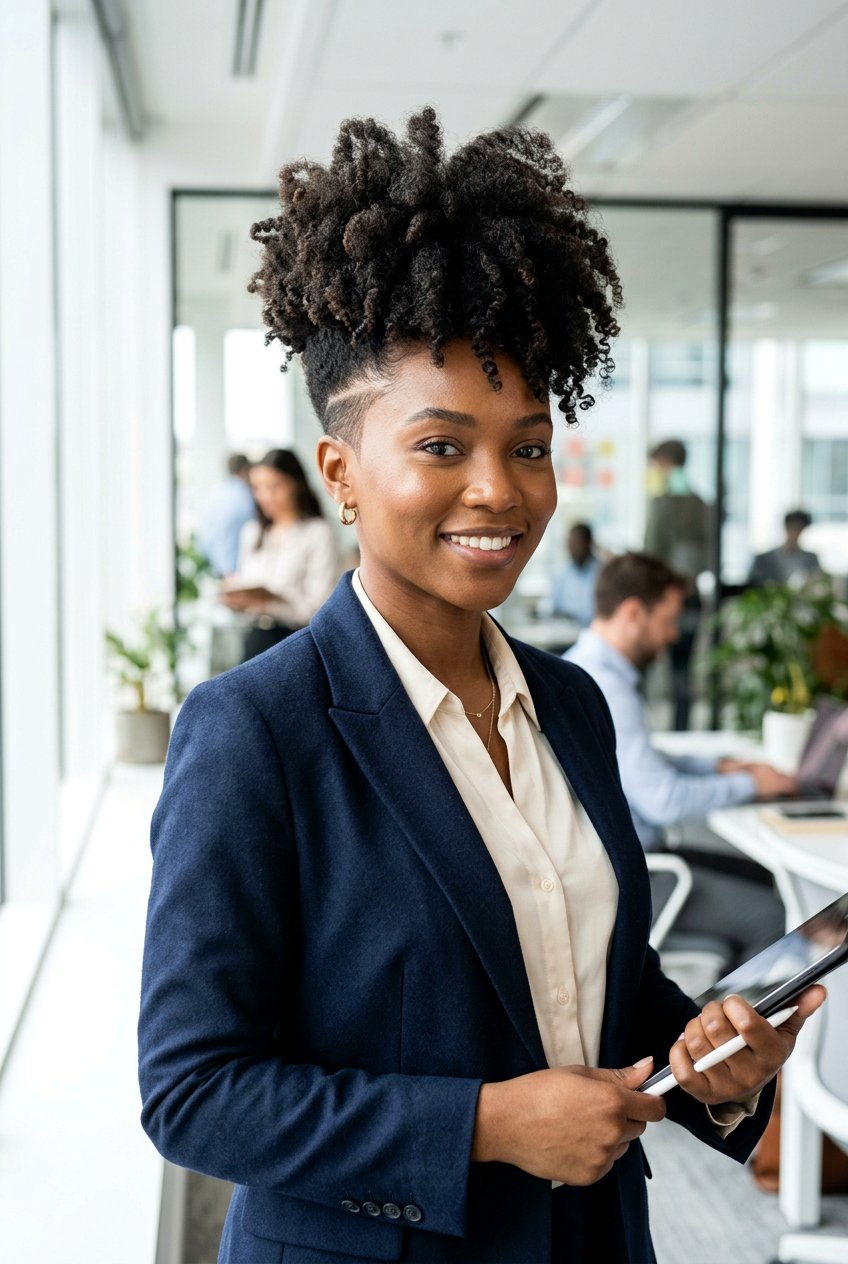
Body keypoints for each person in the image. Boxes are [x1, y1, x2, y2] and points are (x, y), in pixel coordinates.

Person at [139, 109, 822, 1264]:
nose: (499, 491)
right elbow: (194, 1089)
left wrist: (711, 1060)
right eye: (444, 446)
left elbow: (594, 984)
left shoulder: (571, 704)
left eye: (529, 444)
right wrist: (487, 1125)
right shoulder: (252, 730)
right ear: (342, 474)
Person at [565, 551, 794, 963]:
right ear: (634, 612)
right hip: (635, 876)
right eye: (668, 620)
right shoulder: (607, 688)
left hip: (625, 861)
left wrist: (717, 767)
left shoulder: (583, 669)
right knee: (773, 913)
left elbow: (636, 759)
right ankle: (725, 1027)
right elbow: (662, 800)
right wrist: (752, 784)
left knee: (761, 873)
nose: (674, 635)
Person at [218, 447, 337, 661]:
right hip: (254, 641)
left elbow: (320, 609)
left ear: (296, 484)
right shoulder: (252, 532)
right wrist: (237, 599)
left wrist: (270, 603)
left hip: (296, 642)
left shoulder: (317, 533)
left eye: (275, 486)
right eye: (258, 488)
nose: (265, 496)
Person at [644, 439, 710, 730]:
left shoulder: (663, 504)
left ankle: (650, 729)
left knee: (657, 665)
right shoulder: (701, 504)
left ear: (667, 462)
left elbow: (651, 553)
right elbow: (708, 557)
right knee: (683, 668)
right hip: (693, 596)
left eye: (657, 463)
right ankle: (681, 728)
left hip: (662, 598)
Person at [196, 452, 256, 577]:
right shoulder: (246, 497)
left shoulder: (215, 494)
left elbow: (203, 539)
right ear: (246, 470)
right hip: (240, 572)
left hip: (219, 570)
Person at [539, 522, 601, 626]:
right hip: (565, 633)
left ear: (589, 543)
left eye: (577, 543)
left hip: (593, 632)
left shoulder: (602, 571)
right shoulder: (562, 573)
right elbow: (552, 604)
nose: (572, 549)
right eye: (570, 543)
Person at [749, 508, 821, 587]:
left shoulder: (811, 559)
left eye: (798, 528)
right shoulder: (764, 559)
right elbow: (753, 584)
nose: (795, 532)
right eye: (792, 527)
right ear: (786, 527)